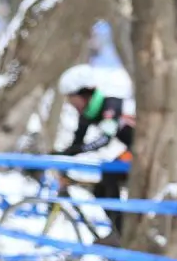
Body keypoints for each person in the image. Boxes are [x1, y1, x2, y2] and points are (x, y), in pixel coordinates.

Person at [54, 66, 134, 247]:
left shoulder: (111, 104)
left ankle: (123, 234)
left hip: (141, 150)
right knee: (99, 190)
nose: (71, 105)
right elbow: (76, 142)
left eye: (72, 99)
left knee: (109, 174)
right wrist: (60, 156)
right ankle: (119, 229)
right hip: (131, 149)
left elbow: (104, 139)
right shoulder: (87, 113)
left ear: (84, 94)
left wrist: (71, 152)